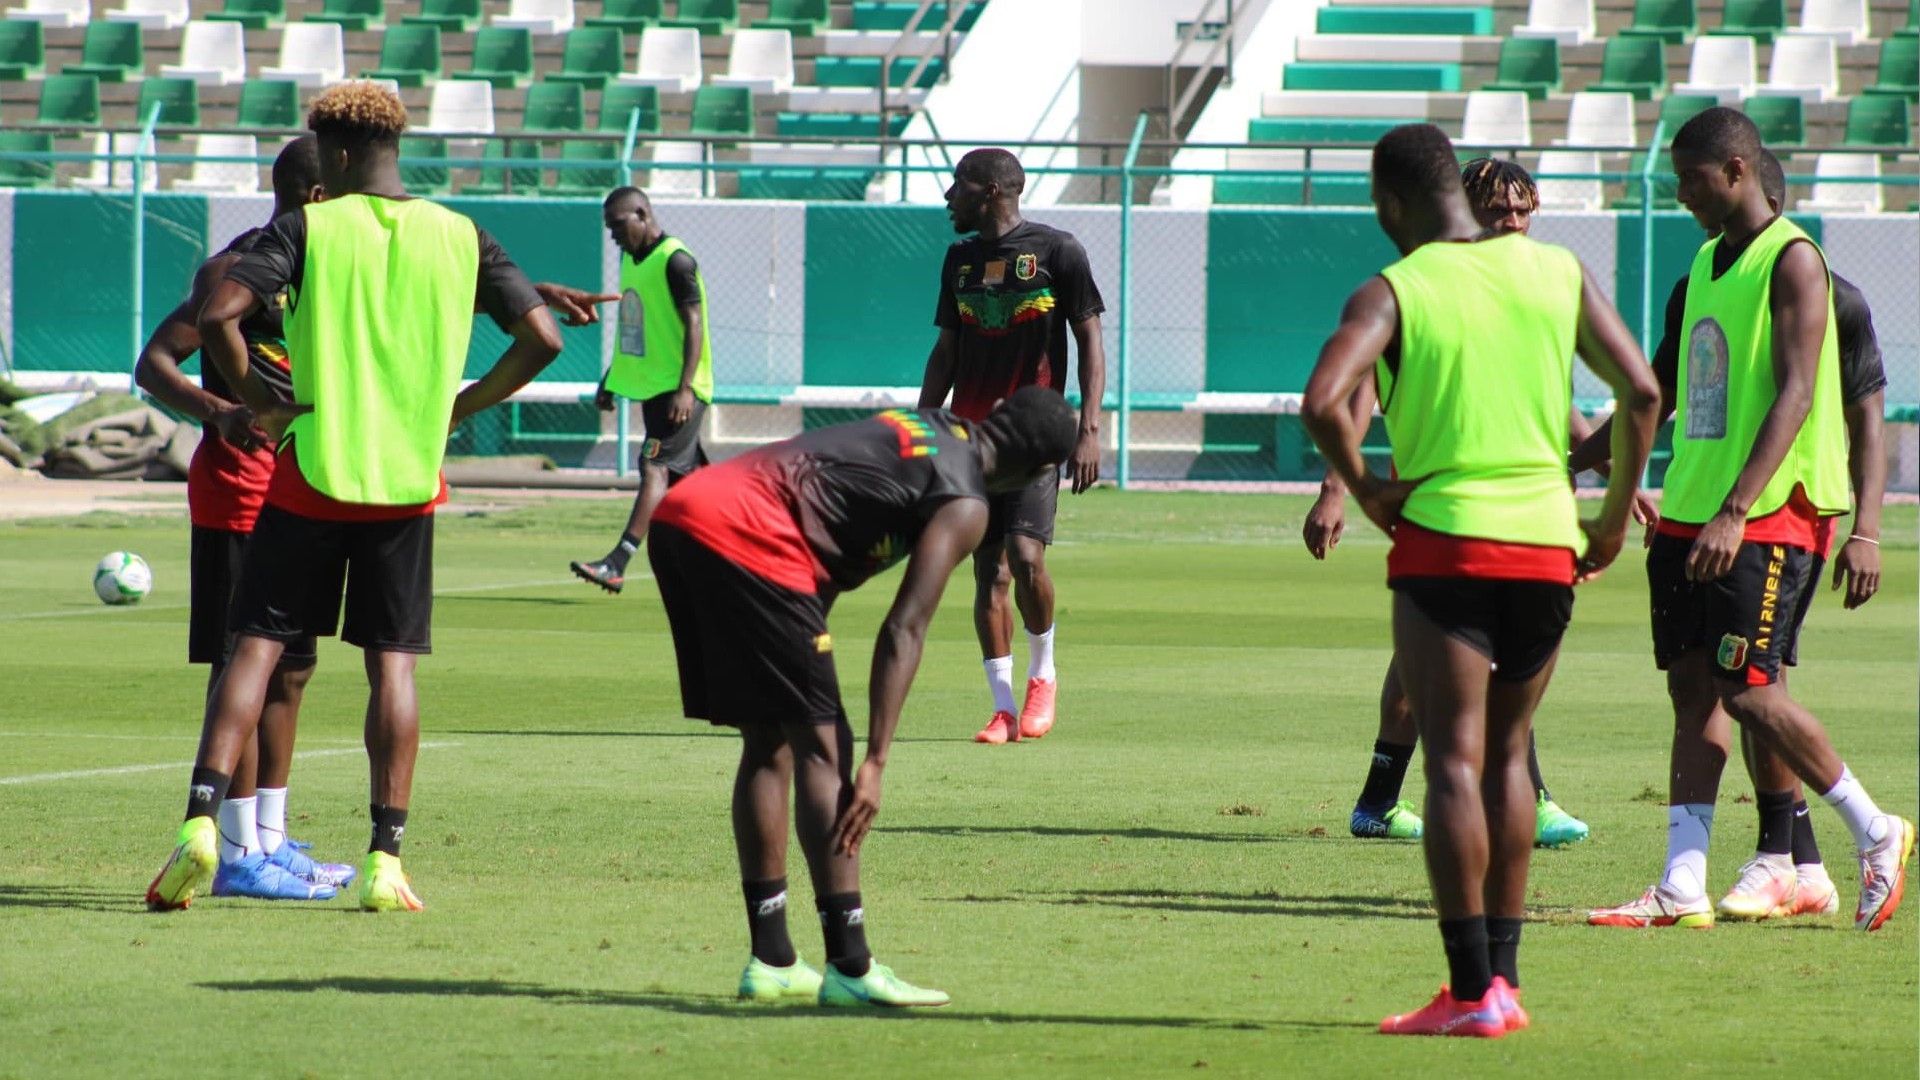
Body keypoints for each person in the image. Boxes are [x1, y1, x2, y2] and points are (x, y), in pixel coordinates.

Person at [145, 82, 564, 913]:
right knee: (392, 668)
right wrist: (461, 405)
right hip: (407, 481)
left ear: (332, 155)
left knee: (255, 647)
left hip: (312, 473)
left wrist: (254, 402)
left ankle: (201, 824)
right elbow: (542, 337)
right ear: (394, 146)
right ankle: (384, 859)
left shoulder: (308, 226)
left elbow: (222, 312)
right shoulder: (460, 233)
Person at [1301, 123, 1660, 1037]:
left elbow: (1322, 400)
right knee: (1508, 758)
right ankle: (1505, 982)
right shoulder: (1557, 271)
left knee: (1453, 759)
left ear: (1391, 203)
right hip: (1549, 548)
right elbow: (1643, 394)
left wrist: (1371, 490)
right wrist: (1613, 518)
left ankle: (1468, 994)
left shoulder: (1397, 287)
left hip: (1448, 544)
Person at [647, 386, 1079, 1006]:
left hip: (684, 512)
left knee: (770, 739)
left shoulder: (929, 425)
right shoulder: (967, 501)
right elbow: (906, 626)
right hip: (750, 533)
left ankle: (772, 959)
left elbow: (832, 503)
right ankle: (850, 965)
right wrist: (875, 760)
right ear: (1039, 472)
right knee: (827, 746)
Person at [1583, 130, 1908, 930]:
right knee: (1693, 692)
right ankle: (1680, 885)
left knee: (1750, 690)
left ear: (1737, 171)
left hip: (1765, 514)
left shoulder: (1796, 262)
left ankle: (1876, 831)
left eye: (1691, 180)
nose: (1682, 195)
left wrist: (1739, 512)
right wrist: (1574, 462)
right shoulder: (1697, 268)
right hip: (1692, 509)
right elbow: (1651, 392)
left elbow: (1800, 393)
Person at [1305, 157, 1613, 849]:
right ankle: (1519, 805)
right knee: (1468, 666)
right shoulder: (1420, 288)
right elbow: (1357, 394)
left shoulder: (1531, 286)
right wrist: (1338, 490)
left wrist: (1622, 477)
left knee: (1449, 666)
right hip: (1439, 511)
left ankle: (1381, 801)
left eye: (1521, 209)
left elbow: (1554, 400)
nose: (1512, 221)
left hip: (1513, 515)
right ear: (1466, 210)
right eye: (1498, 209)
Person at [133, 136, 353, 902]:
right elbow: (153, 360)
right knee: (243, 664)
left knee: (294, 665)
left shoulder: (323, 270)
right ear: (320, 196)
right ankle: (232, 852)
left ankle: (268, 835)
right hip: (239, 494)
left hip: (304, 490)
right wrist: (219, 410)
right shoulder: (235, 269)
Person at [919, 148, 1106, 745]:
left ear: (993, 190)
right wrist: (925, 429)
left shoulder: (1058, 252)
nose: (950, 197)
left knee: (1027, 559)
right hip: (971, 442)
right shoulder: (959, 261)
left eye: (960, 185)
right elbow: (946, 353)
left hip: (1033, 437)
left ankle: (1043, 675)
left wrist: (1089, 429)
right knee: (988, 574)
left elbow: (1091, 343)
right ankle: (1002, 710)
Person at [571, 186, 713, 595]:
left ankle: (616, 563)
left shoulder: (677, 261)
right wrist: (611, 378)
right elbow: (638, 326)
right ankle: (741, 556)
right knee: (694, 485)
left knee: (653, 466)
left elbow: (695, 325)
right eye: (609, 228)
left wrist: (686, 389)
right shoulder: (632, 259)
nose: (613, 235)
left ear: (642, 214)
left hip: (678, 391)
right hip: (653, 387)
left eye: (618, 225)